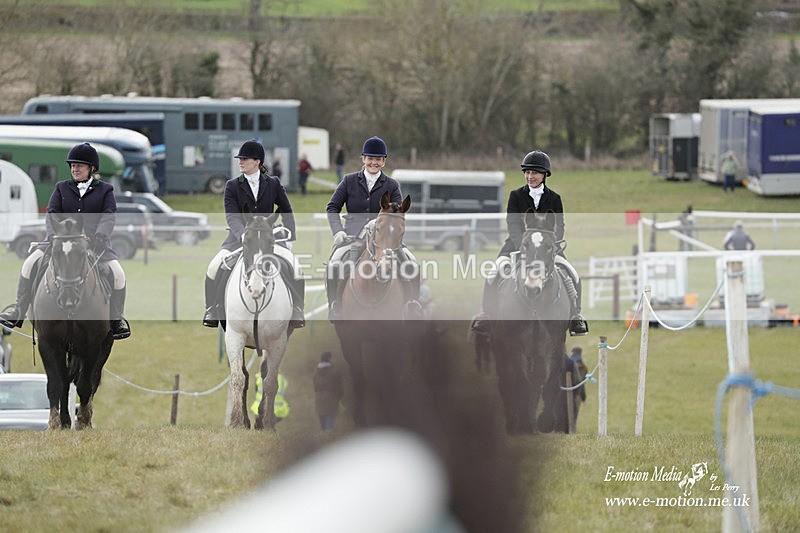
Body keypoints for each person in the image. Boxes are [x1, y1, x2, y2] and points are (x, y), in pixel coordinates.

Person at [0, 143, 131, 340]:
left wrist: (101, 236)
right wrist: (53, 236)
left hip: (96, 244)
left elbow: (109, 215)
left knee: (119, 275)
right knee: (28, 265)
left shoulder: (105, 190)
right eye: (72, 166)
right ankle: (18, 311)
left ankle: (116, 320)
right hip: (58, 241)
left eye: (80, 165)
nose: (75, 169)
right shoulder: (61, 188)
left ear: (92, 168)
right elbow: (51, 213)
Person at [471, 150, 588, 336]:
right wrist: (522, 246)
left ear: (544, 175)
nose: (530, 176)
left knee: (573, 274)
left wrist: (554, 244)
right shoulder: (516, 195)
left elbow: (559, 224)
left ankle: (576, 316)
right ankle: (486, 314)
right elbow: (512, 223)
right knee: (494, 271)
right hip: (518, 245)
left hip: (548, 248)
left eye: (534, 173)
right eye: (527, 172)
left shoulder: (554, 198)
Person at [202, 139, 305, 330]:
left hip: (268, 238)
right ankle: (212, 309)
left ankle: (298, 309)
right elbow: (231, 215)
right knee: (214, 266)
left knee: (296, 267)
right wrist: (242, 234)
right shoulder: (232, 186)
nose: (240, 162)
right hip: (239, 238)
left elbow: (286, 210)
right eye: (239, 159)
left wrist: (289, 237)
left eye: (245, 159)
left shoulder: (273, 183)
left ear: (257, 161)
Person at [325, 135, 421, 320]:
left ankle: (411, 305)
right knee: (335, 264)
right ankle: (335, 306)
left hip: (384, 239)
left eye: (378, 159)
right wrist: (338, 231)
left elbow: (398, 211)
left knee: (411, 264)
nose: (373, 162)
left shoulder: (392, 185)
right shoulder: (348, 181)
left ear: (383, 161)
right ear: (363, 159)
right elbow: (332, 207)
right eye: (370, 158)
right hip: (353, 237)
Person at [313, 351, 344, 431]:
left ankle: (323, 433)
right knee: (330, 416)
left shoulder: (316, 372)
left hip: (319, 397)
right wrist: (340, 396)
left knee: (322, 415)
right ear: (330, 359)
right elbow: (339, 386)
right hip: (331, 397)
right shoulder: (334, 372)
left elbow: (315, 386)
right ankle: (328, 433)